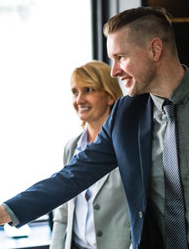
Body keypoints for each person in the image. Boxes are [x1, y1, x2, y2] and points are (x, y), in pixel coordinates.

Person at [0, 6, 189, 249]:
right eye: (111, 59)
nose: (114, 71)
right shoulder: (125, 114)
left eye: (121, 57)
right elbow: (71, 177)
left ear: (155, 49)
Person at [50, 61, 129, 249]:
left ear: (110, 96)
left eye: (89, 90)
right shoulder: (71, 148)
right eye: (75, 92)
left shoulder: (128, 146)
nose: (80, 100)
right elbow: (63, 215)